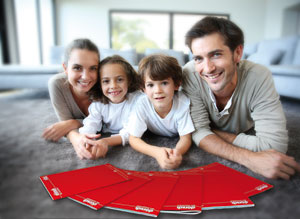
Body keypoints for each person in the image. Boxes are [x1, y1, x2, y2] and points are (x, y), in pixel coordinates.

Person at [182, 16, 300, 179]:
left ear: (237, 53)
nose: (207, 68)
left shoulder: (259, 76)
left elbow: (274, 146)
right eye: (198, 58)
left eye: (216, 54)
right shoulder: (190, 74)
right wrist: (249, 158)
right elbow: (198, 131)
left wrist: (210, 133)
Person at [128, 54, 195, 169]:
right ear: (143, 88)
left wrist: (176, 152)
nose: (157, 90)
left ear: (177, 84)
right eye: (150, 85)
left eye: (164, 83)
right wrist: (157, 152)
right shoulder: (142, 104)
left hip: (175, 136)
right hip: (152, 134)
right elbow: (133, 138)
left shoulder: (182, 103)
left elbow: (185, 138)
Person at [42, 38, 101, 160]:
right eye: (77, 68)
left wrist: (72, 122)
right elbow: (65, 124)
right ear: (65, 68)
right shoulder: (57, 84)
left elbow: (108, 123)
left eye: (93, 68)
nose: (85, 77)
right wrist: (76, 139)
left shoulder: (105, 84)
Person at [78, 55, 142, 159]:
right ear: (100, 84)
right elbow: (91, 123)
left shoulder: (137, 101)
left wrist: (106, 141)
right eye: (106, 81)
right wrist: (86, 139)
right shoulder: (98, 104)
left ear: (129, 80)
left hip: (128, 136)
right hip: (109, 132)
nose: (113, 86)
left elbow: (131, 132)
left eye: (120, 79)